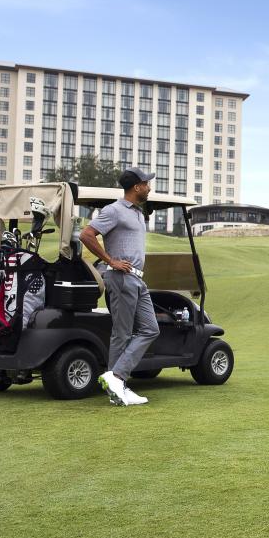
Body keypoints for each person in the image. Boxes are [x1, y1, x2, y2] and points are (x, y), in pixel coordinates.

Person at [79, 166, 160, 406]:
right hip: (121, 278)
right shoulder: (114, 210)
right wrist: (110, 261)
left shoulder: (137, 212)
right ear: (137, 187)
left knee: (150, 329)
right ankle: (117, 383)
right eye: (146, 183)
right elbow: (87, 235)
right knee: (122, 334)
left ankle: (116, 380)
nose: (149, 187)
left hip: (137, 279)